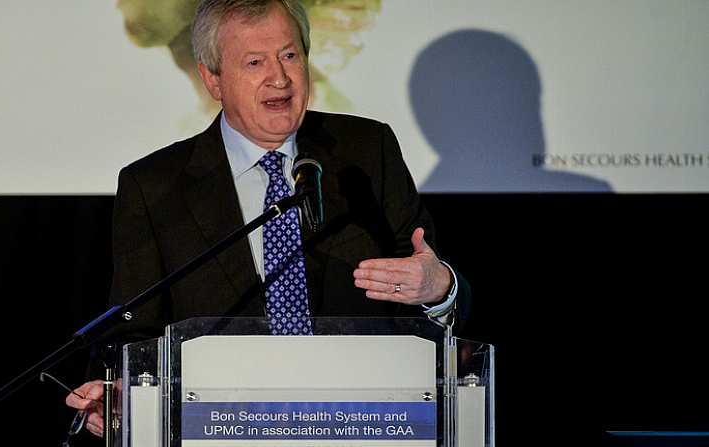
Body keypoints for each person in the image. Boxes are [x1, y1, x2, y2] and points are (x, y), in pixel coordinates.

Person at [66, 0, 470, 438]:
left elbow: (430, 283)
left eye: (290, 55)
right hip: (221, 428)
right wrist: (124, 391)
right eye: (255, 62)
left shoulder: (367, 150)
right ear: (212, 79)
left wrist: (439, 289)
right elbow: (134, 328)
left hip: (363, 421)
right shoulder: (154, 186)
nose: (279, 78)